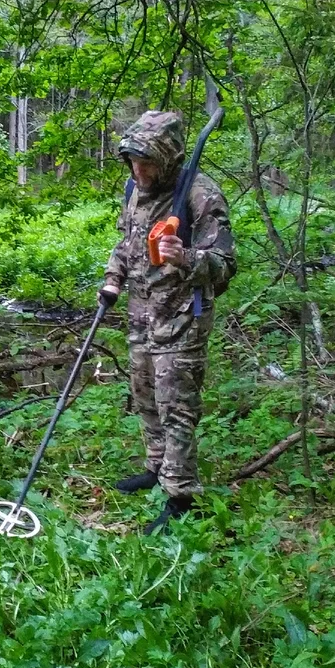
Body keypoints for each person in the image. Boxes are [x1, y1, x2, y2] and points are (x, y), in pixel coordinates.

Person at [97, 110, 236, 535]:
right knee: (145, 395)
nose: (139, 171)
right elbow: (127, 243)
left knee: (177, 404)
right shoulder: (133, 188)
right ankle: (157, 468)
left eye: (147, 163)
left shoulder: (200, 195)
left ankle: (180, 496)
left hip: (182, 317)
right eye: (133, 163)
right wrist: (111, 281)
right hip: (141, 312)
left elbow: (226, 265)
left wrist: (187, 257)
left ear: (169, 158)